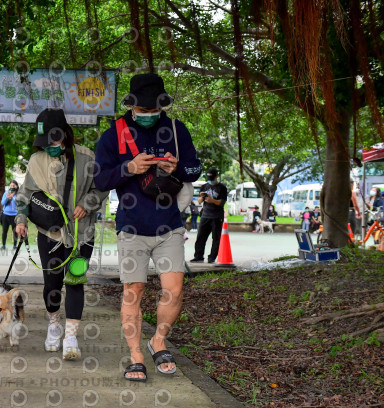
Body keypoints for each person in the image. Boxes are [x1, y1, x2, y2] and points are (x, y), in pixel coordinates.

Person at [94, 73, 202, 381]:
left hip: (169, 225)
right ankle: (136, 356)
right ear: (131, 106)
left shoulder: (176, 129)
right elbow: (100, 179)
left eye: (152, 110)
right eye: (142, 111)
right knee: (134, 290)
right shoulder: (113, 134)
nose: (148, 116)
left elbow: (195, 169)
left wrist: (175, 166)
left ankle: (158, 340)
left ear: (161, 106)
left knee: (174, 290)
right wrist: (129, 167)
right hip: (131, 227)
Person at [15, 108, 106, 361]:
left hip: (81, 234)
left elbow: (102, 189)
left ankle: (71, 337)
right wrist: (21, 219)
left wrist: (86, 204)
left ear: (65, 134)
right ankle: (54, 324)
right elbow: (25, 194)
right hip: (49, 235)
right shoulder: (36, 160)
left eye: (54, 142)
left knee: (75, 282)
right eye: (46, 144)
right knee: (52, 285)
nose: (50, 147)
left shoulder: (88, 158)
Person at [191, 167, 227, 263]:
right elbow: (198, 200)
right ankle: (198, 256)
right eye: (208, 179)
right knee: (200, 237)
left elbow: (222, 202)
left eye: (212, 179)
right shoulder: (204, 186)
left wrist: (212, 200)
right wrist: (202, 198)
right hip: (205, 215)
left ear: (216, 177)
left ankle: (212, 257)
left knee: (216, 238)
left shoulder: (222, 188)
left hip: (217, 216)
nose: (210, 181)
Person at [0, 180, 19, 251]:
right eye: (11, 186)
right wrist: (8, 197)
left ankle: (15, 245)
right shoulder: (6, 193)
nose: (12, 187)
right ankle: (3, 245)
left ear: (17, 186)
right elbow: (2, 203)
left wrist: (13, 198)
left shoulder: (18, 194)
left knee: (15, 231)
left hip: (15, 215)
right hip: (6, 215)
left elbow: (18, 204)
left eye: (14, 186)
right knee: (4, 230)